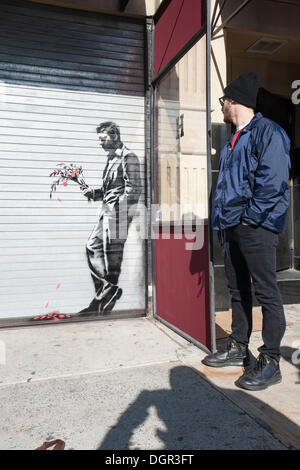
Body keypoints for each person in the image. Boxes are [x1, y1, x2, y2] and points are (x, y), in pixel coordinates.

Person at [202, 71, 291, 391]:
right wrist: (223, 222)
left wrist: (250, 218)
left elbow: (274, 181)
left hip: (256, 226)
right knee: (238, 289)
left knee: (266, 292)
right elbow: (226, 186)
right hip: (231, 226)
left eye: (222, 100)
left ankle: (270, 361)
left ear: (234, 100)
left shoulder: (269, 132)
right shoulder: (231, 140)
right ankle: (240, 347)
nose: (221, 107)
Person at [78, 121, 142, 315]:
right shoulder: (111, 159)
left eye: (103, 139)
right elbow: (110, 190)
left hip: (117, 215)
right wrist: (94, 193)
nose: (101, 143)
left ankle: (101, 301)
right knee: (92, 247)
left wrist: (117, 211)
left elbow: (134, 190)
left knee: (112, 259)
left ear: (114, 136)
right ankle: (107, 292)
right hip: (106, 212)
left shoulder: (128, 157)